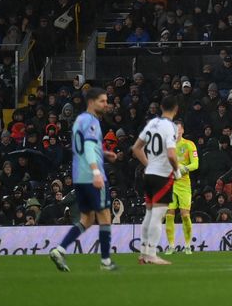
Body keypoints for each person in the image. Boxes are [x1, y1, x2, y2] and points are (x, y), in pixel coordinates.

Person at [48, 87, 120, 272]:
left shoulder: (79, 120)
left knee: (87, 219)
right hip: (91, 175)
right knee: (105, 216)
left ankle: (60, 249)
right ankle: (105, 261)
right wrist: (96, 172)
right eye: (102, 101)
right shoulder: (92, 121)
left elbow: (81, 148)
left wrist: (104, 153)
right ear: (91, 102)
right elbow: (88, 147)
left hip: (79, 175)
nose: (105, 104)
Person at [131, 95, 181, 265]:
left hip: (149, 174)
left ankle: (143, 253)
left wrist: (148, 163)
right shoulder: (172, 127)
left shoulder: (152, 123)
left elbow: (136, 148)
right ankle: (151, 253)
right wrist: (177, 170)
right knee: (158, 216)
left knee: (149, 213)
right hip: (162, 176)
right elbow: (172, 154)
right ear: (176, 109)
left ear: (160, 107)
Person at [164, 120, 199, 254]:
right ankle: (171, 246)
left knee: (185, 215)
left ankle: (188, 245)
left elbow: (195, 164)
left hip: (184, 184)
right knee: (169, 214)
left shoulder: (189, 145)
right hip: (169, 184)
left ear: (182, 130)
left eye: (179, 129)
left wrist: (183, 168)